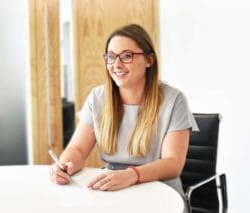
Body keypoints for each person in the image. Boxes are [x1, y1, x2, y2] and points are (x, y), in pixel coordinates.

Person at [49, 24, 199, 197]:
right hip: (113, 190)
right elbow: (77, 149)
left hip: (160, 193)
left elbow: (173, 163)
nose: (116, 64)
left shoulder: (174, 100)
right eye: (111, 57)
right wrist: (65, 165)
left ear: (149, 60)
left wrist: (131, 175)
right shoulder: (97, 97)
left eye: (126, 56)